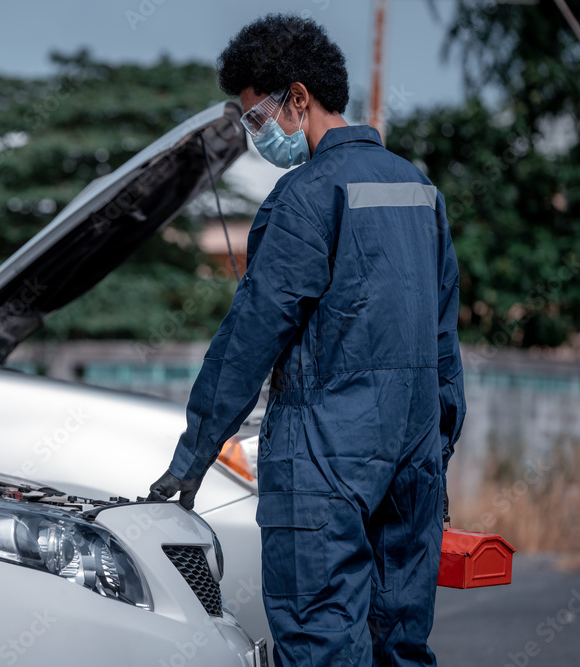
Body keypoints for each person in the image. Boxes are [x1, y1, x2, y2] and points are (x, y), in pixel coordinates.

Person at [146, 14, 466, 667]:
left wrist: (191, 457)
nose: (254, 133)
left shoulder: (305, 196)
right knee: (400, 646)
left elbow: (251, 335)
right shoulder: (420, 192)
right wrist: (435, 451)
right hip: (414, 469)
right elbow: (443, 345)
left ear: (298, 99)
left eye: (254, 116)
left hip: (323, 469)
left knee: (323, 648)